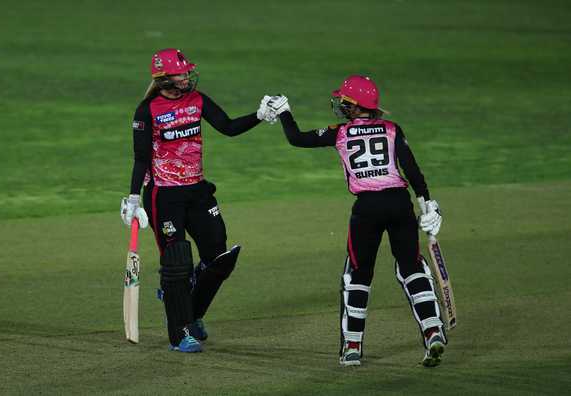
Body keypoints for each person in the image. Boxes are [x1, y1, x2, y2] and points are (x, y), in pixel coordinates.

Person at [264, 75, 447, 367]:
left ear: (353, 106)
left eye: (344, 101)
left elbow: (296, 139)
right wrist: (428, 205)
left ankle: (352, 347)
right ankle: (433, 330)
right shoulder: (391, 129)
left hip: (367, 209)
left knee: (358, 275)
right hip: (400, 204)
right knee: (412, 267)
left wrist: (285, 112)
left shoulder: (340, 132)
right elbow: (412, 170)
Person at [120, 48, 275, 353]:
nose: (187, 76)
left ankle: (192, 311)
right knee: (177, 264)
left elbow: (228, 127)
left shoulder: (197, 100)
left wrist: (259, 116)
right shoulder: (146, 110)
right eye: (182, 73)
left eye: (188, 72)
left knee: (218, 255)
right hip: (164, 196)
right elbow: (141, 159)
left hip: (198, 191)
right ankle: (180, 334)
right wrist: (133, 198)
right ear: (165, 77)